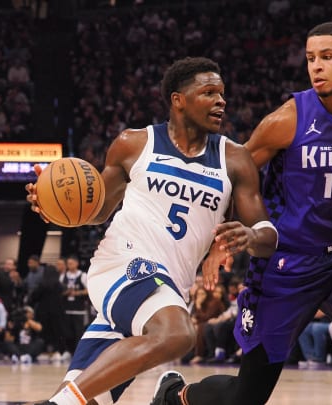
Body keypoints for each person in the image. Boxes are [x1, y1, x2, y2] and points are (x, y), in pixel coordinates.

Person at [152, 22, 332, 405]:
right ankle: (176, 395)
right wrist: (218, 240)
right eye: (310, 59)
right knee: (246, 397)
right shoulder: (288, 119)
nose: (316, 66)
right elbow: (233, 176)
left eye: (326, 56)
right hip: (288, 264)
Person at [25, 56, 278, 405]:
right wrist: (54, 207)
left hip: (169, 289)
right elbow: (96, 211)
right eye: (208, 93)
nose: (221, 101)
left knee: (84, 398)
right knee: (178, 335)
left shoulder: (234, 160)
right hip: (122, 263)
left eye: (222, 94)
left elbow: (268, 235)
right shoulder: (134, 143)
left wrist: (250, 237)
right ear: (179, 100)